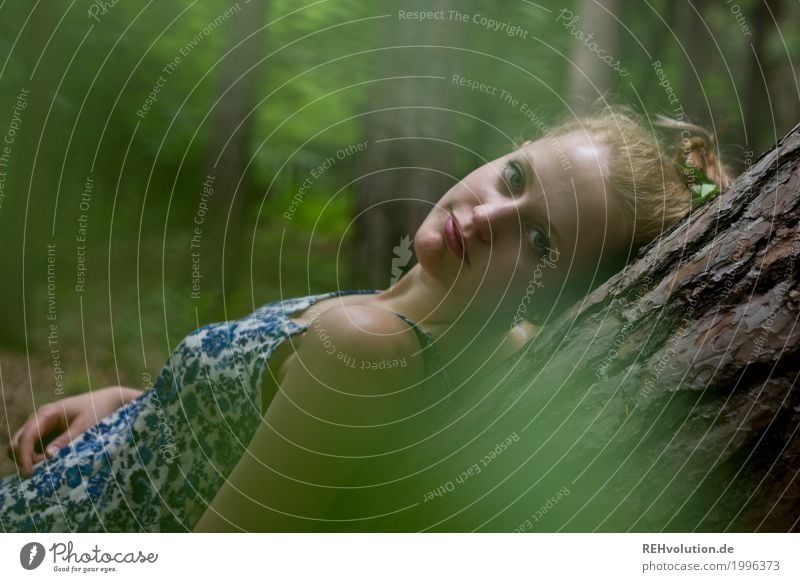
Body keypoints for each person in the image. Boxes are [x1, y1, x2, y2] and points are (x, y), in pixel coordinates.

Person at [0, 107, 732, 532]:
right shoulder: (480, 342)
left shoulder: (368, 350)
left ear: (564, 298)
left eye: (541, 239)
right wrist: (137, 408)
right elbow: (259, 426)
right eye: (514, 177)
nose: (489, 216)